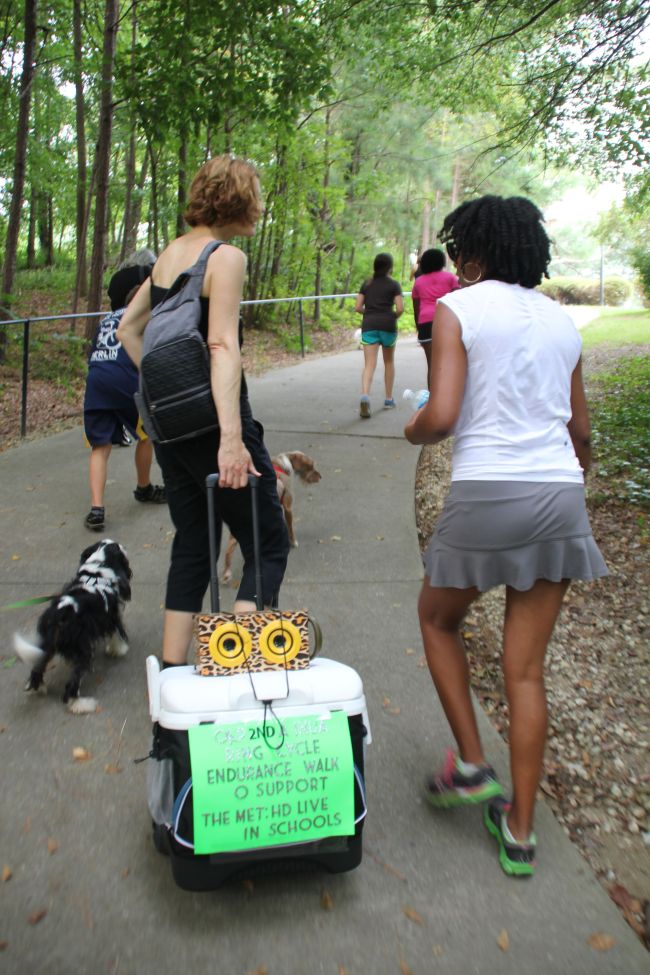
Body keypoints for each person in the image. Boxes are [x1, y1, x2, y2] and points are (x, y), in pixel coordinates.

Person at [404, 195, 608, 877]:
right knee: (525, 670)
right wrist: (569, 480)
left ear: (474, 252)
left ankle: (469, 762)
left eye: (461, 250)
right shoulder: (563, 322)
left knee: (437, 619)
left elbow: (443, 413)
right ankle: (520, 832)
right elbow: (580, 433)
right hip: (557, 495)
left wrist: (412, 429)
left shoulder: (462, 307)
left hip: (488, 489)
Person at [117, 155, 290, 667]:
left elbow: (129, 329)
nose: (259, 207)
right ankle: (235, 676)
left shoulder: (171, 255)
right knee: (267, 543)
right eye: (255, 195)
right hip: (215, 424)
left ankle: (171, 688)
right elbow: (220, 345)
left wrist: (164, 387)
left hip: (169, 429)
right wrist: (231, 439)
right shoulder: (224, 257)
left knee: (194, 546)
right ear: (237, 198)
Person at [83, 251, 166, 532]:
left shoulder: (105, 320)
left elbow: (93, 351)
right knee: (146, 435)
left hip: (97, 381)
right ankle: (144, 487)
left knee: (100, 446)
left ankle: (97, 508)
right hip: (125, 380)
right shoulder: (141, 319)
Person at [354, 252, 404, 418]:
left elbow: (358, 307)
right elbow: (400, 308)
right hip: (388, 325)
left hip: (369, 325)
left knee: (369, 364)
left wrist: (369, 313)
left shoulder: (367, 284)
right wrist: (391, 316)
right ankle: (388, 399)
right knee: (388, 361)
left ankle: (365, 395)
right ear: (390, 267)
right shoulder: (394, 285)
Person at [410, 248, 459, 380]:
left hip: (425, 323)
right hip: (447, 322)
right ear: (441, 262)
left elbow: (416, 308)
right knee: (449, 363)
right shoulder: (451, 278)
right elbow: (459, 301)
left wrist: (418, 327)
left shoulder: (418, 282)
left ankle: (433, 399)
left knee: (432, 365)